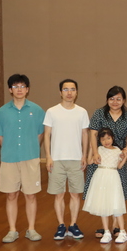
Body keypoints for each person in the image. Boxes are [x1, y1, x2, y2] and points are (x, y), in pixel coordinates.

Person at [0, 74, 45, 243]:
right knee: (11, 195)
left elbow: (40, 134)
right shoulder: (2, 112)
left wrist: (31, 148)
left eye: (22, 86)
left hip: (30, 158)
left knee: (31, 195)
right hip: (9, 159)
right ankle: (12, 230)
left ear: (27, 89)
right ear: (10, 90)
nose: (19, 89)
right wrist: (10, 148)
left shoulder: (37, 110)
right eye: (15, 86)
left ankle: (31, 229)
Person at [43, 78, 90, 240]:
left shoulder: (82, 112)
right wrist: (48, 156)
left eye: (72, 89)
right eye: (65, 89)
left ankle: (73, 225)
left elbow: (85, 135)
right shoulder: (52, 111)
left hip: (76, 159)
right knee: (59, 194)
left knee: (75, 194)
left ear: (76, 92)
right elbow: (47, 135)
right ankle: (61, 225)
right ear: (60, 92)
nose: (69, 93)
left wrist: (84, 155)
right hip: (56, 160)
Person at [86, 86, 127, 238]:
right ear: (107, 100)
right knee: (102, 192)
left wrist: (126, 150)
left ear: (124, 100)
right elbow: (93, 134)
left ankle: (115, 226)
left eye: (118, 99)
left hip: (117, 156)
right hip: (101, 156)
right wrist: (94, 153)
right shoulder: (99, 113)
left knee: (117, 191)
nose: (115, 102)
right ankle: (105, 227)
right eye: (112, 98)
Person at [83, 128, 127, 244]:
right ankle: (107, 232)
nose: (106, 141)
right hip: (101, 177)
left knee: (116, 203)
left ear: (112, 138)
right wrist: (91, 149)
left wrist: (125, 157)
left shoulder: (117, 150)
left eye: (108, 138)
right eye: (103, 139)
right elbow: (90, 161)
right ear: (99, 141)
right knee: (103, 204)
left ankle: (122, 232)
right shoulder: (99, 149)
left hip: (113, 177)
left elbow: (119, 166)